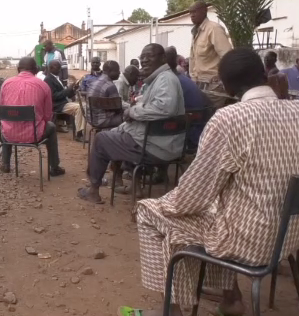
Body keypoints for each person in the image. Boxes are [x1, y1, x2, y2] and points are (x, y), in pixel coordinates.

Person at [118, 48, 299, 316]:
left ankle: (172, 310)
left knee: (151, 212)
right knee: (218, 207)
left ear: (226, 85)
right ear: (264, 74)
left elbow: (193, 195)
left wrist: (159, 204)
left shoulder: (231, 118)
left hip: (252, 242)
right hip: (291, 234)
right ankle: (231, 297)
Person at [78, 44, 185, 204]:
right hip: (158, 143)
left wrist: (132, 112)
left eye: (150, 55)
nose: (144, 60)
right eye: (142, 57)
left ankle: (93, 190)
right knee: (118, 134)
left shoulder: (166, 79)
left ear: (163, 58)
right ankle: (134, 186)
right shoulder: (161, 79)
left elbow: (164, 108)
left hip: (155, 147)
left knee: (102, 139)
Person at [0, 57, 64, 176]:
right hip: (34, 135)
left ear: (18, 69)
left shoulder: (6, 84)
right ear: (35, 70)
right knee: (51, 126)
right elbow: (47, 115)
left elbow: (2, 109)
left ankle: (5, 164)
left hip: (8, 135)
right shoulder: (43, 86)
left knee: (6, 124)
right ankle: (54, 167)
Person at [188, 0, 233, 108]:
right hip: (198, 83)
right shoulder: (196, 31)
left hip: (213, 86)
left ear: (204, 11)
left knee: (211, 116)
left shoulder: (213, 29)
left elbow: (227, 56)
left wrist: (221, 78)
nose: (192, 15)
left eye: (195, 11)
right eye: (190, 13)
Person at [166, 46, 211, 152]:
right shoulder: (181, 78)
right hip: (198, 129)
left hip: (189, 134)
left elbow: (164, 110)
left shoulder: (172, 82)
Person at [44, 59, 86, 141]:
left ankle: (79, 131)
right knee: (80, 108)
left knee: (82, 106)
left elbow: (65, 94)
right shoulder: (48, 79)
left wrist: (73, 89)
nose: (59, 69)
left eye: (60, 67)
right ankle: (79, 134)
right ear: (50, 68)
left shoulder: (56, 78)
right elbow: (53, 96)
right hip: (57, 105)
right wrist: (67, 90)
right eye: (57, 67)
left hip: (63, 103)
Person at [85, 60, 123, 129]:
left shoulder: (95, 82)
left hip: (91, 119)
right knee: (127, 117)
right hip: (103, 121)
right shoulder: (110, 86)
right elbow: (118, 108)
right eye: (117, 70)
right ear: (109, 71)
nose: (119, 72)